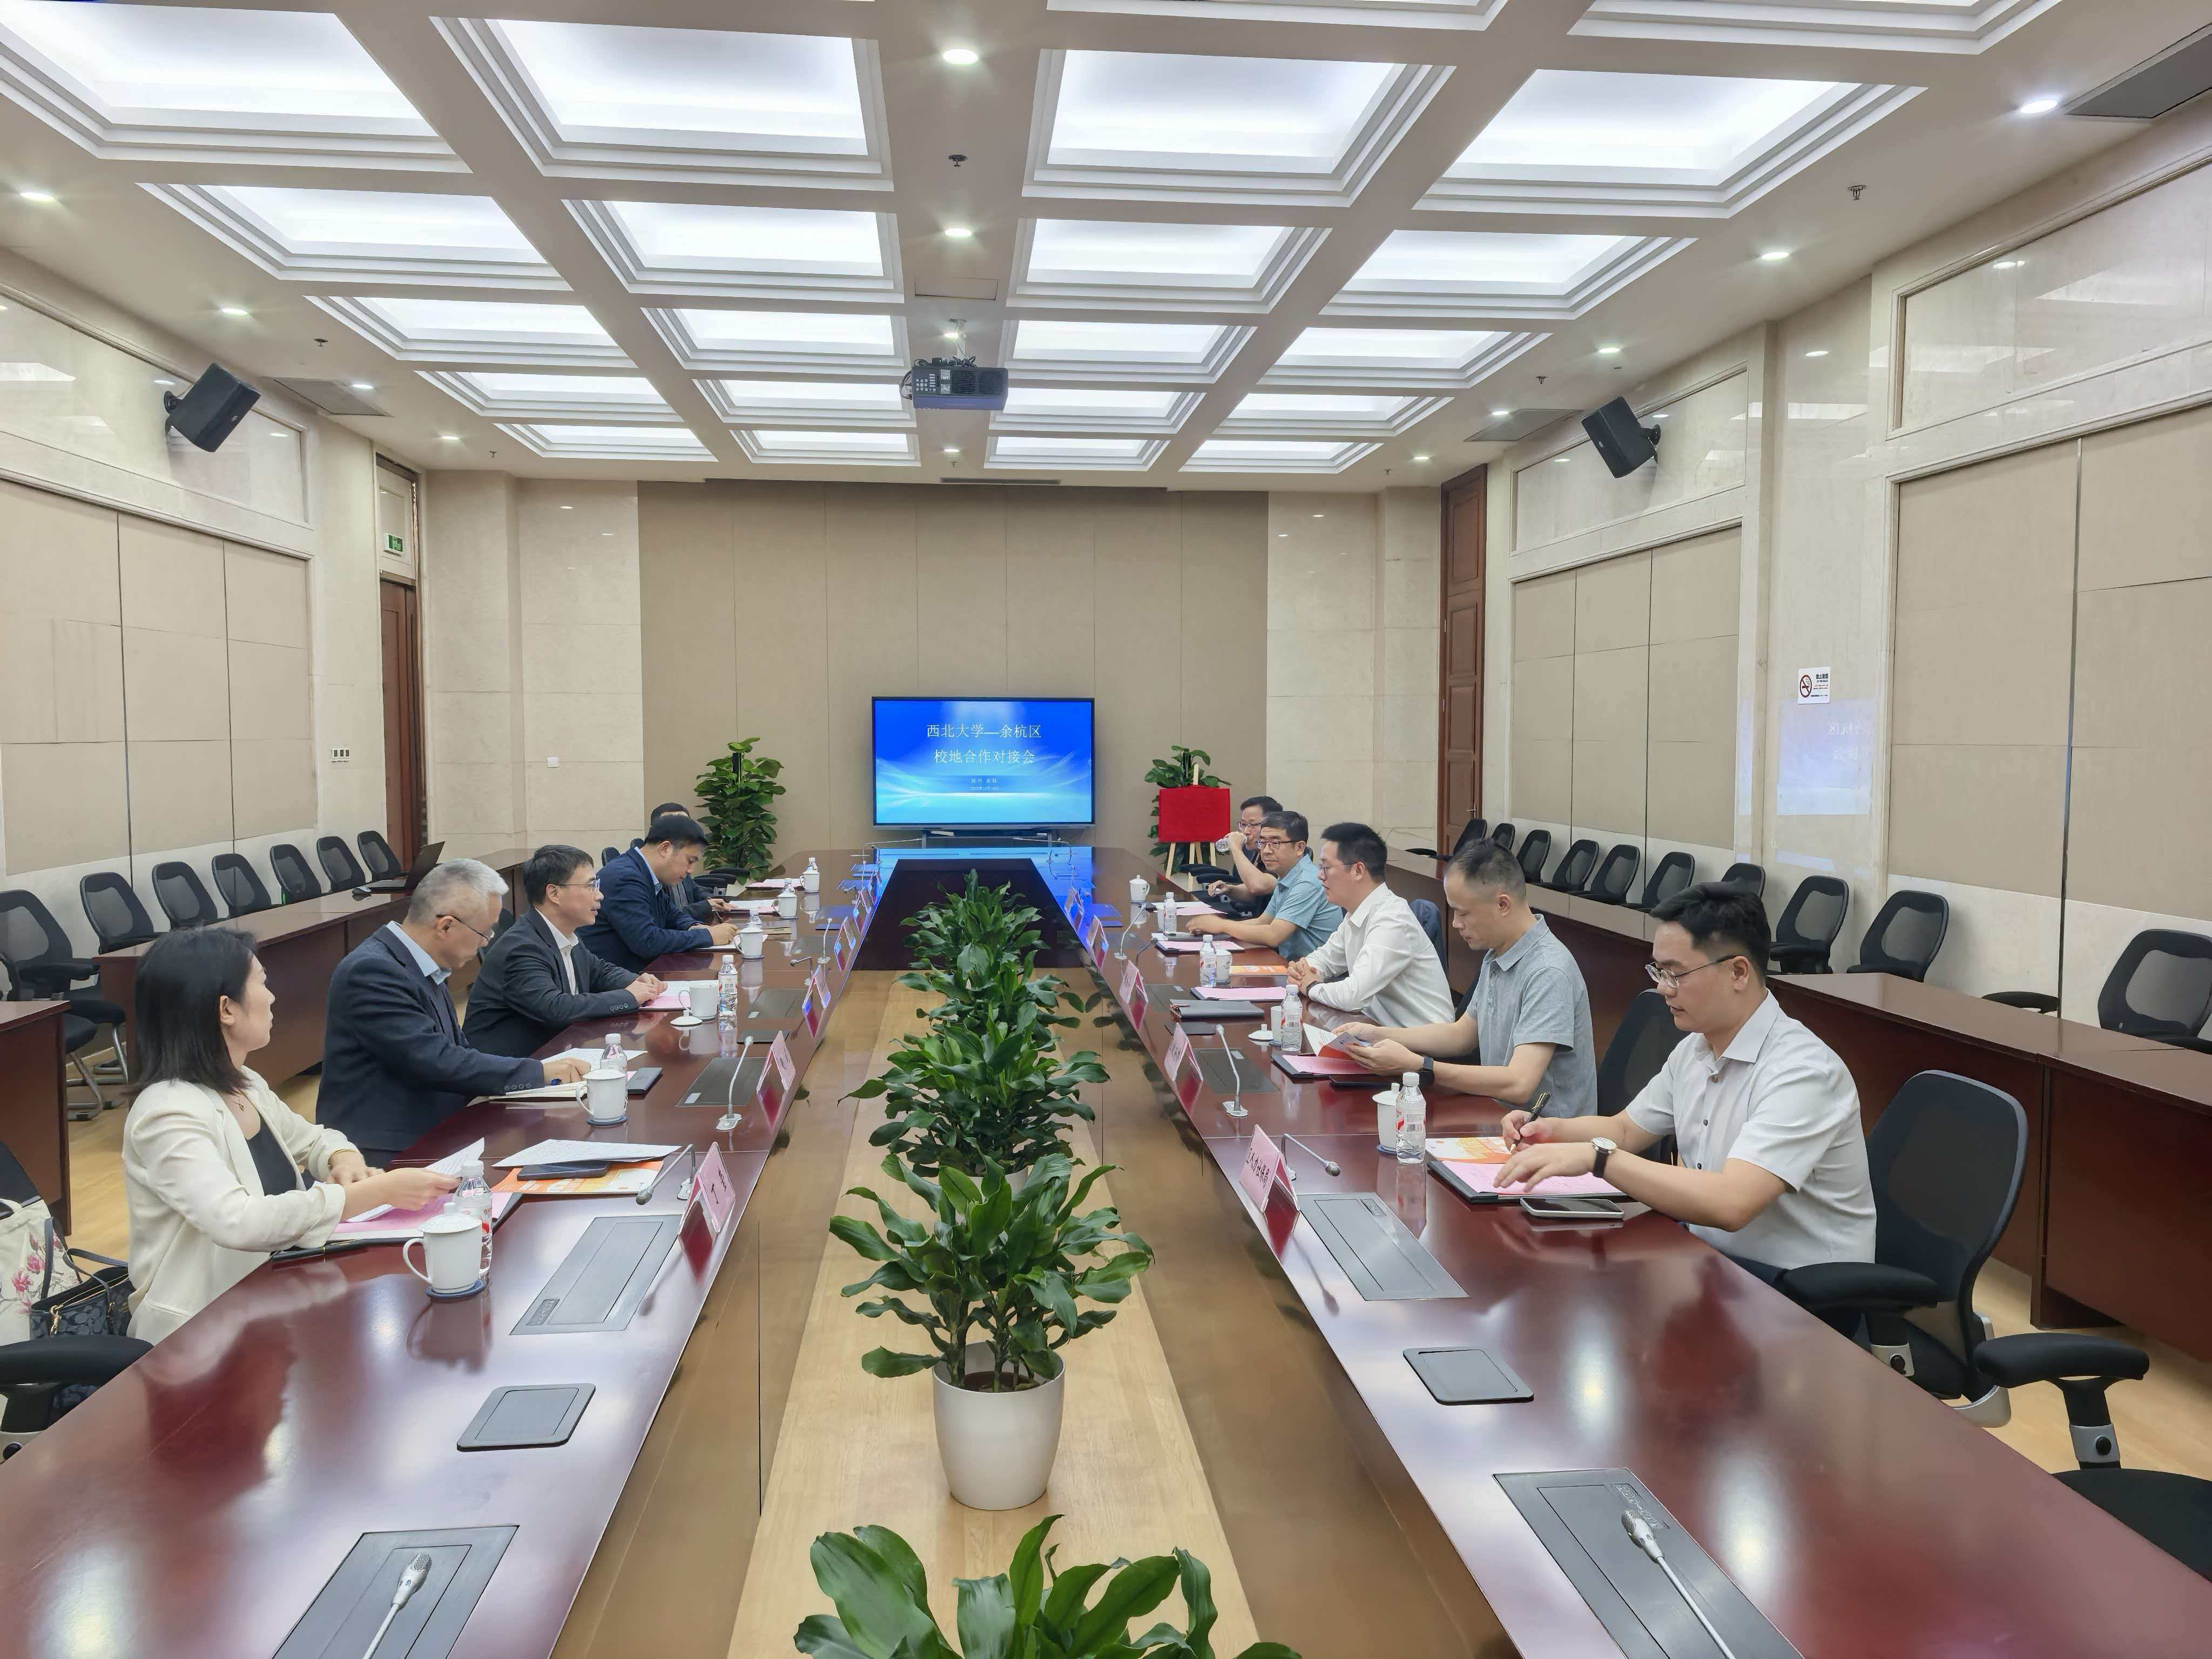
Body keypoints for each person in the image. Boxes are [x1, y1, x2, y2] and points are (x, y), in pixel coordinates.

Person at [1493, 882, 1876, 1273]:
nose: (1662, 988)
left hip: (1795, 1288)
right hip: (1714, 1263)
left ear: (1738, 972)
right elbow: (1625, 1130)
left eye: (1676, 974)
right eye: (1659, 971)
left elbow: (1732, 1203)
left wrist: (1599, 1159)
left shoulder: (1803, 1072)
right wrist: (1552, 1131)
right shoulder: (1696, 1048)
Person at [122, 927, 460, 1341]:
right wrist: (374, 1193)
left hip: (270, 1299)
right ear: (227, 1009)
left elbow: (314, 1140)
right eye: (262, 982)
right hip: (198, 1331)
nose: (272, 997)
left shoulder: (243, 1082)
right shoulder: (168, 1112)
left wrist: (343, 1159)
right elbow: (238, 1222)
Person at [319, 860, 590, 1163]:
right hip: (386, 1149)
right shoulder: (373, 971)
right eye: (484, 932)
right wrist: (538, 1073)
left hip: (437, 1125)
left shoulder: (419, 963)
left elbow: (458, 1051)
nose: (486, 942)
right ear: (446, 926)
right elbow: (436, 1061)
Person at [1330, 840, 1596, 1113]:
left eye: (1464, 912)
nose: (1456, 923)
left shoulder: (1548, 971)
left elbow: (1520, 1083)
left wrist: (1421, 1066)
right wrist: (1377, 1034)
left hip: (1546, 1131)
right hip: (1497, 1114)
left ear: (1503, 904)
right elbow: (1462, 1035)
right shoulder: (1499, 952)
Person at [463, 845, 666, 1058]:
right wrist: (629, 997)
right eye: (591, 886)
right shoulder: (522, 948)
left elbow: (598, 971)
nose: (600, 895)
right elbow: (556, 1008)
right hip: (514, 1065)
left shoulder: (563, 932)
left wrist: (636, 981)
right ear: (554, 893)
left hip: (557, 1051)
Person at [1285, 822, 1454, 1028]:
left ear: (1358, 871)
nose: (1320, 875)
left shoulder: (1391, 920)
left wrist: (1311, 986)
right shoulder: (1356, 913)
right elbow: (1325, 959)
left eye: (1326, 868)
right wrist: (1303, 972)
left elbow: (1353, 996)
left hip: (1421, 1040)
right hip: (1380, 1031)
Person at [580, 813, 739, 972]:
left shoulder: (643, 871)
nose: (691, 870)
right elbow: (648, 941)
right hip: (618, 978)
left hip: (644, 971)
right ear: (665, 849)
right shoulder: (625, 877)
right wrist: (709, 936)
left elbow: (671, 914)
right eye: (690, 861)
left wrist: (695, 927)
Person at [1185, 810, 1342, 960]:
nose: (1266, 851)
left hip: (1313, 972)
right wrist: (1216, 930)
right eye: (1263, 843)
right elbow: (1262, 922)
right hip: (1291, 964)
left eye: (1275, 843)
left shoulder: (1307, 882)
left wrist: (1222, 925)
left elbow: (1273, 935)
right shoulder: (1287, 877)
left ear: (1300, 848)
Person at [648, 801, 732, 922]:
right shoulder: (652, 869)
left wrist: (713, 900)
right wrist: (704, 909)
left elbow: (693, 889)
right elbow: (665, 918)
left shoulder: (680, 859)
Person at [1206, 795, 1283, 909]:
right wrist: (1230, 889)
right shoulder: (1259, 851)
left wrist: (1236, 848)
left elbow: (1260, 886)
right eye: (1243, 825)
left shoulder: (1279, 852)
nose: (1246, 831)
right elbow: (1256, 896)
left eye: (1253, 825)